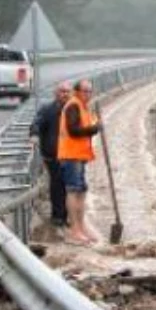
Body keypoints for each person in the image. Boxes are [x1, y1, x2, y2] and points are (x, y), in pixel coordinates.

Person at [58, 79, 100, 245]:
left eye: (90, 91)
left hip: (79, 156)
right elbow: (74, 130)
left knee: (81, 190)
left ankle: (82, 228)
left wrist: (95, 125)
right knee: (74, 190)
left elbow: (88, 126)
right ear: (77, 92)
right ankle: (75, 230)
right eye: (85, 91)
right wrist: (94, 129)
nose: (88, 94)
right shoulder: (73, 105)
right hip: (71, 156)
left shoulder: (83, 106)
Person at [29, 82, 71, 227]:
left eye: (67, 92)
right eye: (62, 91)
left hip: (71, 154)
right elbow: (36, 123)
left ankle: (66, 216)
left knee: (69, 185)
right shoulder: (48, 110)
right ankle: (58, 216)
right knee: (58, 183)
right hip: (53, 153)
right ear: (56, 93)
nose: (65, 94)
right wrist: (34, 135)